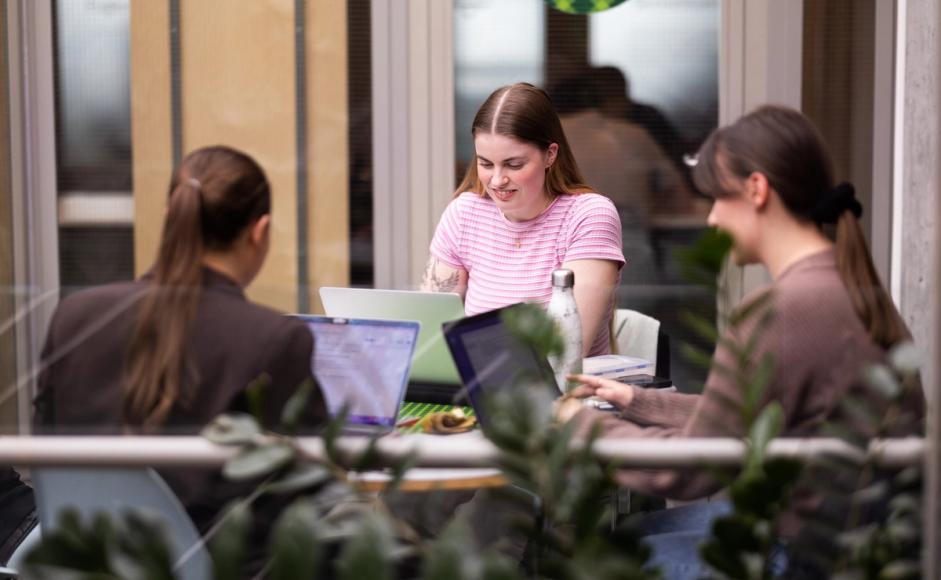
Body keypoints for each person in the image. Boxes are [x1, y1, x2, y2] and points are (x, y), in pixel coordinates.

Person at [557, 105, 925, 576]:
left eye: (717, 198)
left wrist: (579, 424)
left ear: (756, 189)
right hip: (852, 547)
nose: (711, 218)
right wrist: (637, 402)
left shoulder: (782, 309)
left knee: (596, 556)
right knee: (631, 535)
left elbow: (694, 468)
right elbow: (745, 420)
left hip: (799, 556)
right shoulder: (849, 286)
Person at [34, 146, 327, 564]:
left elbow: (47, 452)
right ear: (259, 231)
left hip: (87, 563)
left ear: (171, 218)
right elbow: (306, 501)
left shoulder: (75, 316)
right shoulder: (274, 340)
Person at [422, 82, 625, 356]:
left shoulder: (587, 216)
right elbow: (432, 332)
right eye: (485, 163)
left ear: (550, 155)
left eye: (514, 164)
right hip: (480, 387)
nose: (497, 180)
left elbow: (565, 351)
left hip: (562, 395)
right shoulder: (464, 213)